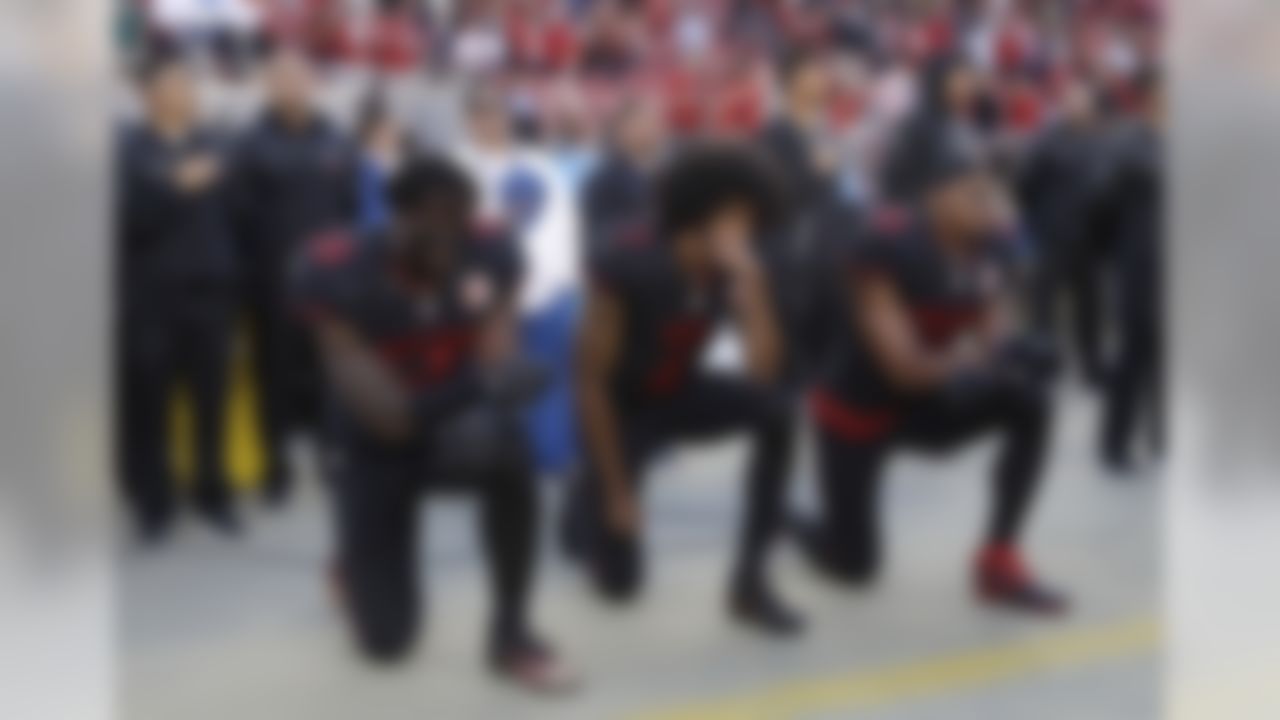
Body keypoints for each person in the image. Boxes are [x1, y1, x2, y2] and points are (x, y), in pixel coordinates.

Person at [293, 155, 574, 691]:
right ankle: (352, 562)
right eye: (434, 230)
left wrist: (493, 382)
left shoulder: (491, 250)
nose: (450, 248)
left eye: (458, 228)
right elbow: (392, 420)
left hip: (447, 430)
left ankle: (511, 632)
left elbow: (498, 353)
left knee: (510, 456)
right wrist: (484, 385)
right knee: (388, 644)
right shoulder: (337, 268)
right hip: (372, 448)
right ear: (397, 221)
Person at [798, 147, 1068, 615]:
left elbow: (991, 329)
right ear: (934, 196)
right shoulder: (887, 242)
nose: (991, 205)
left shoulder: (990, 245)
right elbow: (900, 367)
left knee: (1032, 400)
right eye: (976, 193)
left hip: (927, 399)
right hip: (859, 409)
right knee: (853, 568)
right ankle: (796, 524)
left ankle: (997, 560)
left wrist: (1013, 355)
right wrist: (978, 363)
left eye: (995, 193)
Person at [563, 143, 803, 636]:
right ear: (701, 211)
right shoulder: (628, 260)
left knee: (779, 412)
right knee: (620, 587)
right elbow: (590, 382)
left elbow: (763, 374)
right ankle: (586, 501)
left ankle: (750, 582)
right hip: (622, 410)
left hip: (681, 390)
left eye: (753, 219)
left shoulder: (739, 265)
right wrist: (617, 492)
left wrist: (754, 292)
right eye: (738, 218)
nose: (749, 230)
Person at [118, 54, 240, 541]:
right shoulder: (125, 149)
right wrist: (174, 186)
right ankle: (154, 501)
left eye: (190, 85)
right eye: (174, 85)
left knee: (212, 400)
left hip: (211, 295)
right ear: (148, 95)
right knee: (150, 405)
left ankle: (212, 491)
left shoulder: (218, 146)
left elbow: (239, 219)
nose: (187, 93)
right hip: (150, 298)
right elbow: (121, 219)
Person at [234, 46, 359, 505]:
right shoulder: (249, 144)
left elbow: (349, 214)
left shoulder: (337, 139)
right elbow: (238, 219)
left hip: (328, 288)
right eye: (282, 78)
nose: (292, 86)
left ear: (313, 84)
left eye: (300, 77)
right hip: (272, 286)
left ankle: (332, 458)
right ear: (268, 85)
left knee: (332, 375)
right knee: (274, 376)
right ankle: (276, 464)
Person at [1095, 69, 1164, 473]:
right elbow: (1101, 204)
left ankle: (1166, 441)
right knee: (1135, 354)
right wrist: (1115, 252)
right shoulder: (1128, 142)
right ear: (1148, 94)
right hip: (1139, 262)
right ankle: (1114, 446)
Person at [1019, 79, 1108, 385]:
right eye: (1071, 101)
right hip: (1052, 234)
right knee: (1043, 305)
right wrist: (1039, 221)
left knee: (1091, 305)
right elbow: (1025, 185)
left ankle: (1092, 365)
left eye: (1082, 101)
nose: (1077, 107)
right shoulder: (1047, 142)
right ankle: (1042, 367)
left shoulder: (1102, 140)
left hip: (1091, 236)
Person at [581, 97, 666, 254]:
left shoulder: (664, 173)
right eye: (640, 124)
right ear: (621, 130)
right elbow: (599, 235)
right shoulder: (604, 179)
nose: (648, 130)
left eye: (651, 123)